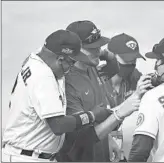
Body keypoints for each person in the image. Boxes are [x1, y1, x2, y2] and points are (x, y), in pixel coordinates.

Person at [1, 29, 113, 162]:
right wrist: (92, 115)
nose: (70, 69)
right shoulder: (44, 76)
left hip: (28, 153)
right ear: (60, 59)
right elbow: (59, 125)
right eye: (71, 63)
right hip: (27, 156)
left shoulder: (38, 57)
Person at [56, 21, 141, 162]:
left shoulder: (93, 67)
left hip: (101, 154)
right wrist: (119, 114)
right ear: (74, 50)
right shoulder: (66, 83)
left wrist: (109, 138)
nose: (97, 50)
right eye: (92, 47)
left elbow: (113, 62)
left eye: (99, 46)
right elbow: (83, 138)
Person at [98, 33, 153, 161]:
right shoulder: (95, 78)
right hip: (99, 145)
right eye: (127, 59)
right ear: (112, 56)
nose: (131, 63)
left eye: (134, 60)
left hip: (125, 147)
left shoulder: (135, 76)